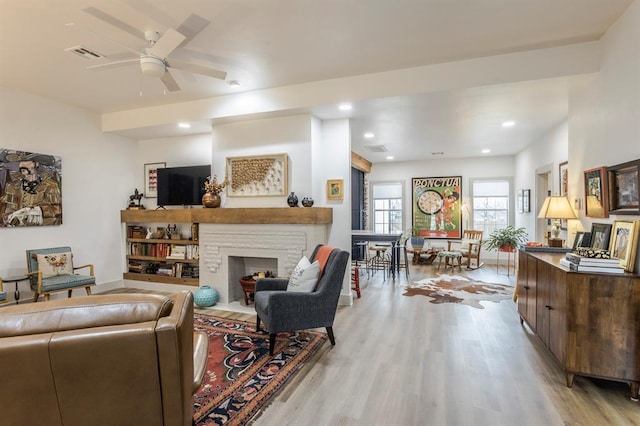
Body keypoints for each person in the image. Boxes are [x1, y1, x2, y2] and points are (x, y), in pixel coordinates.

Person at [0, 151, 62, 227]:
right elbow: (8, 209)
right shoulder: (13, 186)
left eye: (26, 161)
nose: (21, 164)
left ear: (35, 164)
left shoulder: (50, 185)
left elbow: (58, 210)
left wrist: (33, 211)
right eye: (19, 162)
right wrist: (10, 217)